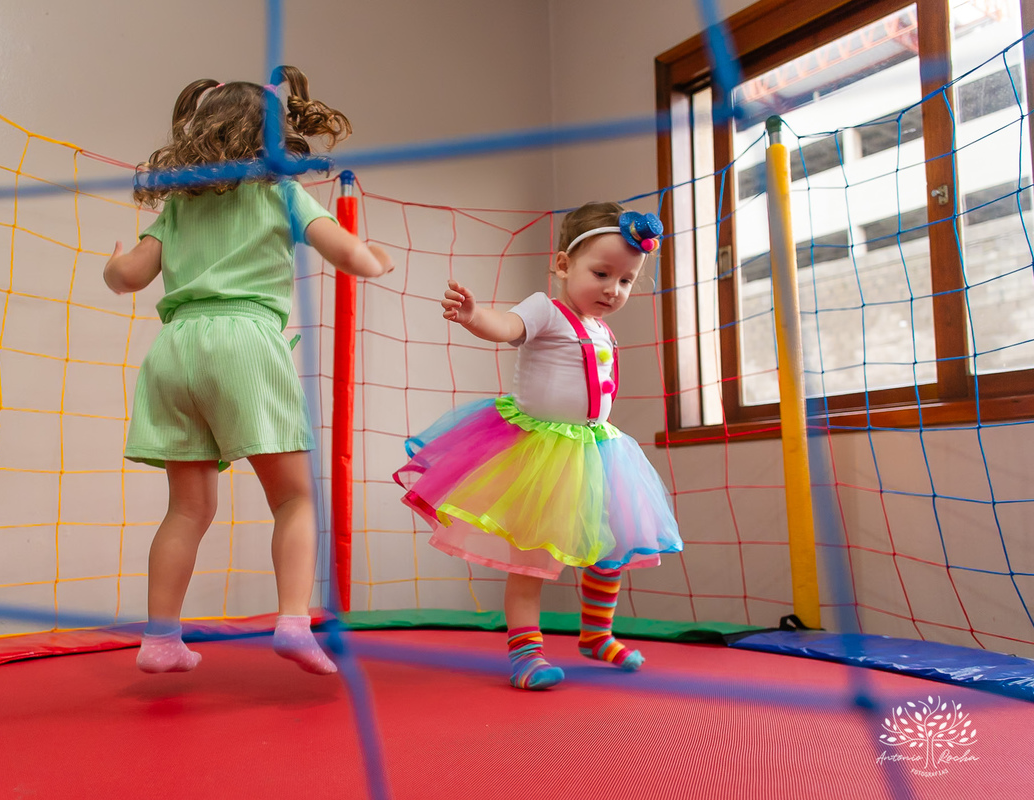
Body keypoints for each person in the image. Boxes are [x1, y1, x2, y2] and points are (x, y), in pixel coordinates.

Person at [104, 67, 392, 675]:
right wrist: (374, 259)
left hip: (174, 350)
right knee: (294, 499)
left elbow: (128, 277)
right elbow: (348, 253)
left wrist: (113, 263)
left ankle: (160, 638)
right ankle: (292, 623)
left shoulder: (179, 204)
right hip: (245, 343)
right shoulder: (279, 193)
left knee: (187, 509)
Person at [394, 202, 682, 690]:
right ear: (564, 265)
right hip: (540, 454)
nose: (613, 289)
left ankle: (597, 634)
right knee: (530, 560)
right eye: (602, 274)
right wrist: (474, 316)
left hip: (596, 453)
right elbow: (506, 327)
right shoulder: (546, 310)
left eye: (626, 280)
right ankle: (526, 654)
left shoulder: (602, 327)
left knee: (609, 548)